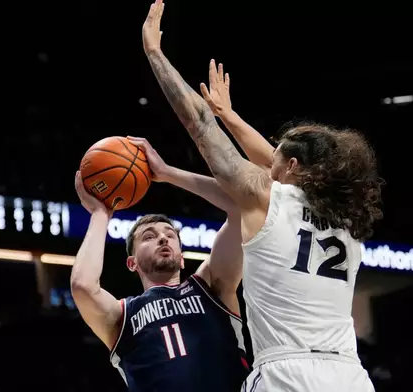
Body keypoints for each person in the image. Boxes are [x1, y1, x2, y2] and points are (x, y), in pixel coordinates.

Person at [142, 1, 383, 391]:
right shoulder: (345, 221)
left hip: (287, 373)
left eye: (277, 161)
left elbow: (199, 126)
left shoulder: (269, 200)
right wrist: (231, 115)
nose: (267, 165)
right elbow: (273, 161)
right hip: (350, 376)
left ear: (291, 168)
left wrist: (155, 55)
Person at [70, 140, 249, 392]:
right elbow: (82, 285)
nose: (163, 238)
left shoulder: (211, 286)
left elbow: (241, 207)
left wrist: (166, 173)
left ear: (182, 257)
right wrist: (101, 215)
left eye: (169, 235)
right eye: (149, 237)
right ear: (132, 263)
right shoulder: (122, 316)